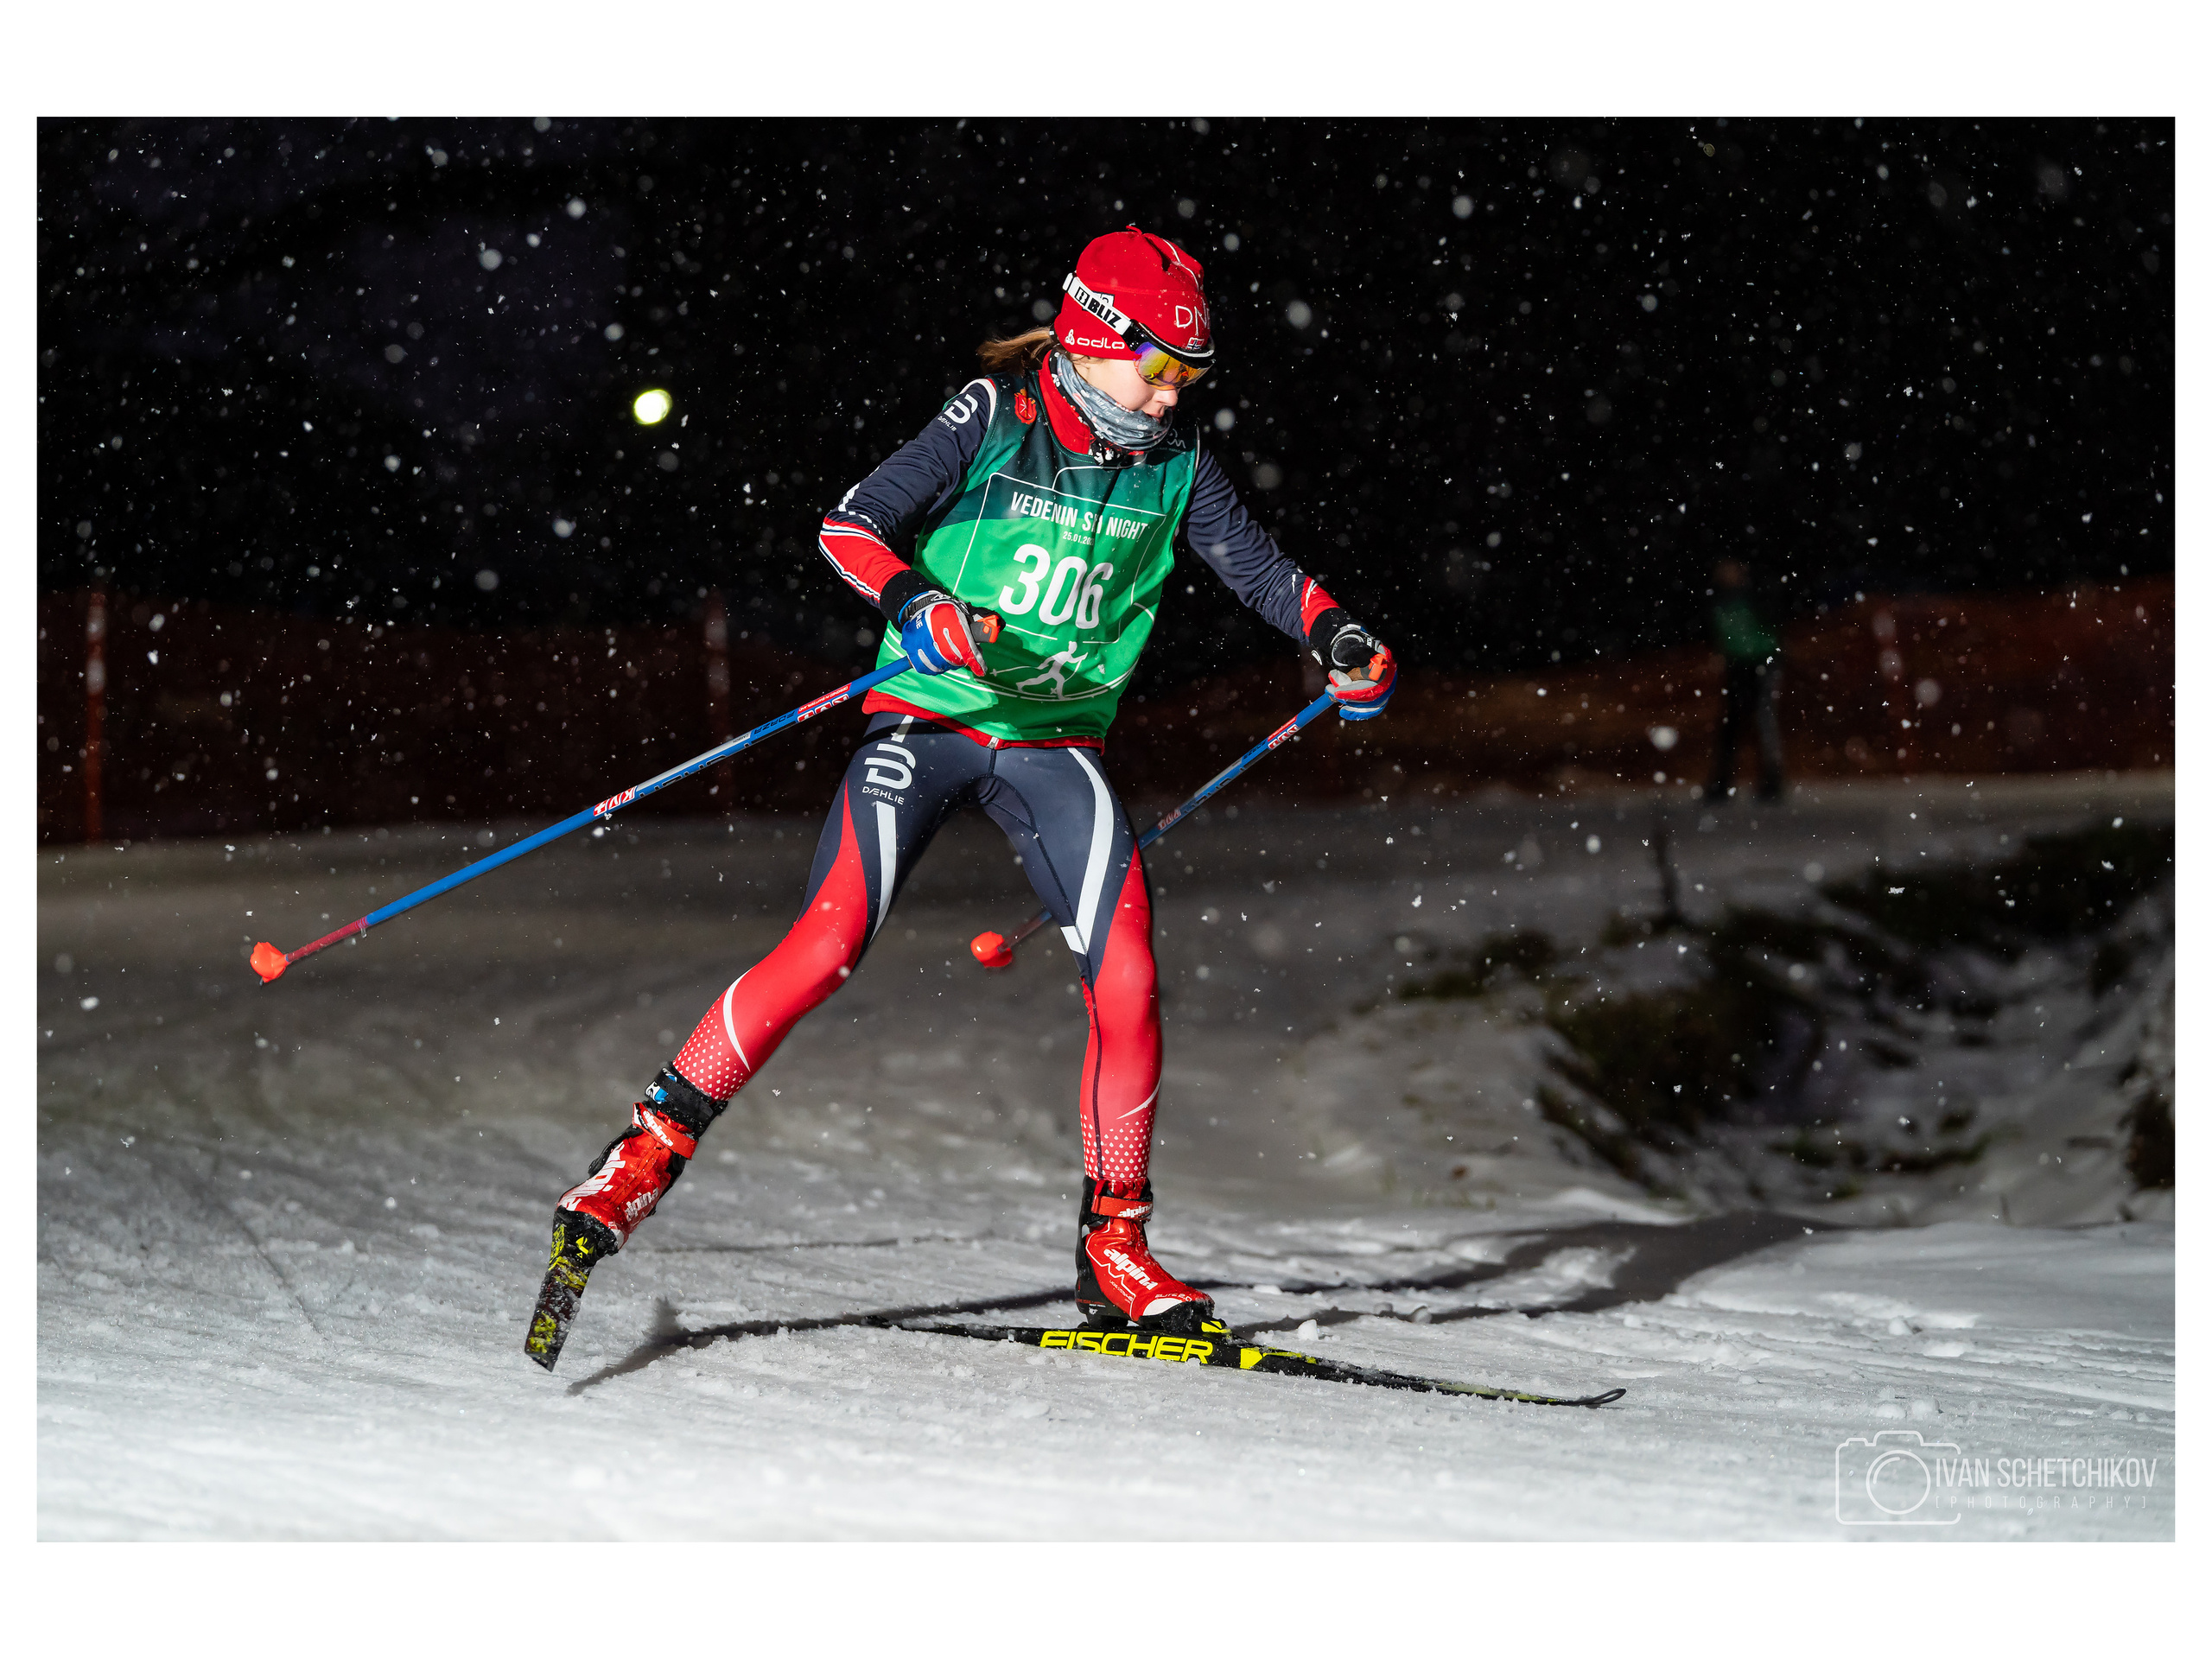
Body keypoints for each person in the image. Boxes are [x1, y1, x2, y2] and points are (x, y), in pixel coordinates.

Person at [527, 226, 1396, 1366]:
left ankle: (1116, 1249)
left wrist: (1339, 634)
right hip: (931, 722)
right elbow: (849, 526)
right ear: (1092, 333)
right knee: (829, 941)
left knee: (1129, 976)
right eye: (1157, 365)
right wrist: (918, 604)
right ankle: (630, 1169)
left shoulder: (1175, 463)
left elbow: (1257, 567)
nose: (1172, 391)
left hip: (1051, 744)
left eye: (1192, 374)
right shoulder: (995, 415)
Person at [1704, 558, 1784, 802]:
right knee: (1732, 724)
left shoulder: (1756, 596)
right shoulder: (1717, 601)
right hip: (1736, 665)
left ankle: (1771, 782)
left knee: (1763, 720)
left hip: (1763, 662)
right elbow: (1719, 634)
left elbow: (1775, 622)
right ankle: (1721, 783)